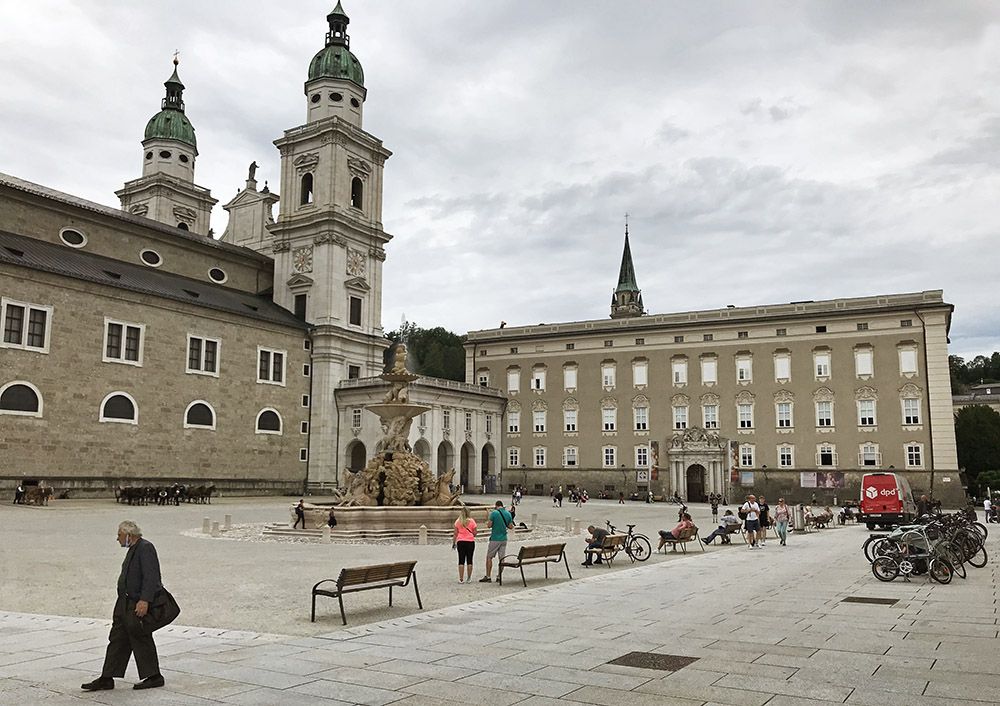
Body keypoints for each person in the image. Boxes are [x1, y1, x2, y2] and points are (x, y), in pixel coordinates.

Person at [81, 521, 165, 691]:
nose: (117, 538)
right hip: (124, 603)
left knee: (141, 638)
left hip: (136, 603)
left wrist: (145, 600)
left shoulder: (145, 548)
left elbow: (151, 576)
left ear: (129, 535)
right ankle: (107, 677)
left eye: (119, 535)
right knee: (117, 639)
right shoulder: (134, 549)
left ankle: (154, 676)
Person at [479, 501, 513, 582]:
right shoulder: (508, 514)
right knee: (502, 558)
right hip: (504, 539)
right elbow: (511, 526)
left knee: (489, 557)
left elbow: (489, 525)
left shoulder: (494, 513)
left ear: (496, 506)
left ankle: (488, 576)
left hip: (495, 538)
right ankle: (499, 576)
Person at [452, 505, 478, 583]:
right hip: (470, 541)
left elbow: (455, 534)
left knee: (461, 560)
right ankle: (469, 578)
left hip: (461, 541)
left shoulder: (458, 521)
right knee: (470, 560)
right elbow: (475, 533)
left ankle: (461, 579)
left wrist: (454, 542)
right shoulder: (472, 521)